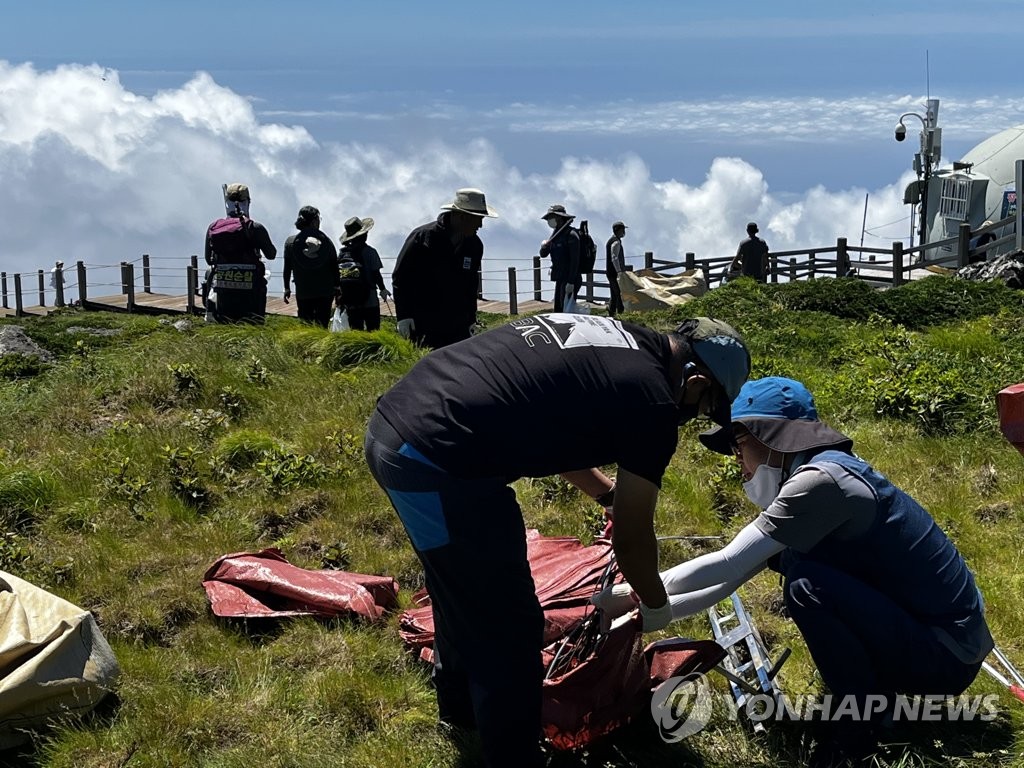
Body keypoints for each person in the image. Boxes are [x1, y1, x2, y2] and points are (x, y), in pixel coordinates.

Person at [364, 315, 751, 768]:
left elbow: (557, 433)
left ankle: (460, 711)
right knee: (507, 625)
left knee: (462, 582)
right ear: (696, 379)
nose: (694, 417)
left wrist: (607, 496)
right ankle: (512, 757)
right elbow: (633, 539)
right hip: (438, 459)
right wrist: (656, 603)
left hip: (397, 428)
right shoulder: (653, 404)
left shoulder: (624, 340)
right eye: (705, 407)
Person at [596, 376, 992, 765]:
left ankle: (858, 735)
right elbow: (733, 577)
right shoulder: (825, 473)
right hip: (946, 639)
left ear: (773, 437)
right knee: (801, 567)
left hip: (946, 654)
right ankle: (873, 698)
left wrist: (635, 594)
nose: (737, 462)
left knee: (808, 586)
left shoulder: (819, 484)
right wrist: (645, 616)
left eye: (738, 444)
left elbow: (727, 561)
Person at [392, 188, 497, 349]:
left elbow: (471, 284)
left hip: (457, 325)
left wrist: (471, 319)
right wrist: (403, 316)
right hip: (423, 322)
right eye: (478, 219)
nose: (481, 225)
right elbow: (401, 277)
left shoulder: (474, 245)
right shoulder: (423, 237)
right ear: (462, 217)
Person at [204, 183, 277, 323]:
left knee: (225, 325)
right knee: (251, 325)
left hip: (224, 288)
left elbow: (209, 259)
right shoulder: (255, 227)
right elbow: (271, 254)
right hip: (251, 289)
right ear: (248, 202)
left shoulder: (213, 227)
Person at [282, 206, 339, 328]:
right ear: (314, 221)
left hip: (303, 291)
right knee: (322, 325)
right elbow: (334, 266)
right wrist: (337, 287)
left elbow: (287, 267)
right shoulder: (325, 241)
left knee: (305, 324)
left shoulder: (290, 242)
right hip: (325, 291)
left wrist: (286, 287)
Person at [338, 216, 389, 331]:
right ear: (364, 235)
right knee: (373, 331)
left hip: (350, 301)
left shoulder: (343, 254)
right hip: (369, 299)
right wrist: (383, 289)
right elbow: (376, 274)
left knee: (356, 332)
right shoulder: (370, 252)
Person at [539, 204, 580, 312]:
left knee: (567, 310)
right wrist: (544, 246)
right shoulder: (556, 233)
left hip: (569, 277)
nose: (550, 220)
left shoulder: (572, 235)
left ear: (560, 218)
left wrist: (571, 281)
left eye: (552, 217)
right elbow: (543, 254)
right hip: (560, 277)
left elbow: (575, 260)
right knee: (558, 310)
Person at [605, 221, 627, 316]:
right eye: (622, 230)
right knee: (618, 293)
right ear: (617, 230)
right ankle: (620, 312)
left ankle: (612, 312)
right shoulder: (616, 242)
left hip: (610, 272)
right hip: (614, 272)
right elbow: (614, 257)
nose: (624, 232)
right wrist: (619, 271)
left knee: (614, 294)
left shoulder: (611, 240)